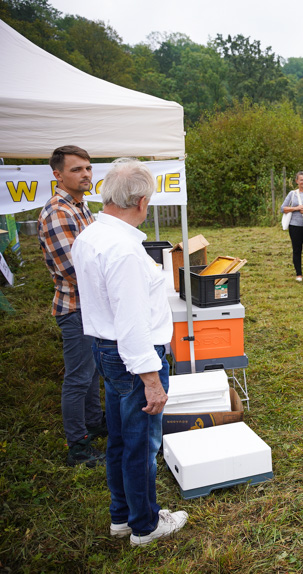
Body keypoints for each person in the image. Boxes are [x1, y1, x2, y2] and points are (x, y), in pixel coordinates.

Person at [71, 159, 187, 546]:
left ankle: (123, 515)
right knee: (142, 444)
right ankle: (145, 525)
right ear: (140, 202)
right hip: (134, 356)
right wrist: (151, 381)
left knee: (120, 439)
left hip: (107, 350)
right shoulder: (124, 250)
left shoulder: (90, 236)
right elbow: (133, 322)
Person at [37, 145, 105, 467]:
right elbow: (73, 269)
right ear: (58, 175)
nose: (85, 174)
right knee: (78, 377)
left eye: (88, 168)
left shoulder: (81, 207)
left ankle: (94, 423)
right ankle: (78, 446)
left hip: (90, 305)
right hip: (75, 307)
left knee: (92, 373)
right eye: (77, 169)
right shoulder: (58, 212)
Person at [281, 171, 303, 282]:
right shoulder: (292, 193)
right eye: (301, 180)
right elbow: (283, 208)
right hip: (295, 226)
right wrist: (296, 208)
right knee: (297, 250)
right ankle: (299, 274)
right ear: (297, 181)